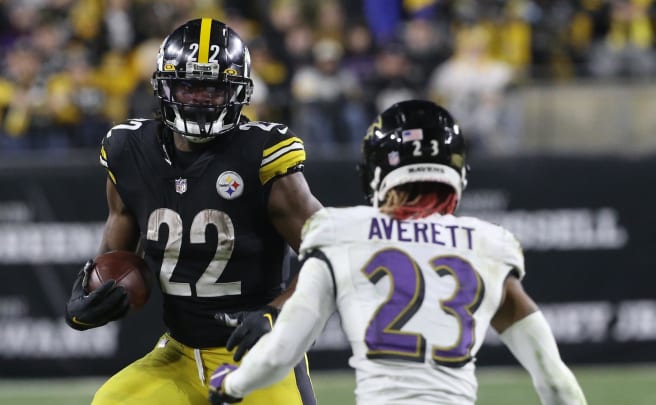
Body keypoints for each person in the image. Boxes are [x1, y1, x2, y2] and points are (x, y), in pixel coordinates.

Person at [208, 99, 587, 405]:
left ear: (375, 170)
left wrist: (232, 384)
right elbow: (556, 384)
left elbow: (282, 352)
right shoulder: (489, 245)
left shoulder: (341, 233)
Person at [64, 18, 322, 405]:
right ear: (163, 86)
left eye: (214, 89)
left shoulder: (263, 156)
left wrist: (279, 315)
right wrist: (89, 294)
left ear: (239, 92)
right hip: (179, 352)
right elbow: (115, 259)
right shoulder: (129, 151)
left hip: (256, 357)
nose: (199, 98)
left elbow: (331, 255)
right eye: (188, 85)